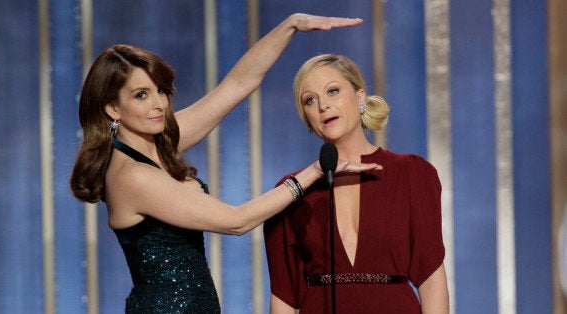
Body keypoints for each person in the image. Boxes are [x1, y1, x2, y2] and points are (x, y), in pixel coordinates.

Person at [69, 14, 380, 313]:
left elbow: (237, 85)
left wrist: (291, 25)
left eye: (160, 91)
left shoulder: (160, 142)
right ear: (113, 108)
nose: (158, 104)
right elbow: (236, 221)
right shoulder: (131, 175)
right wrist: (312, 173)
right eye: (141, 95)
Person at [263, 54, 449, 313]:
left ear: (360, 97)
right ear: (307, 119)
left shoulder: (411, 174)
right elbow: (284, 296)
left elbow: (431, 276)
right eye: (310, 100)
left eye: (333, 91)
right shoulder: (291, 192)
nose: (323, 106)